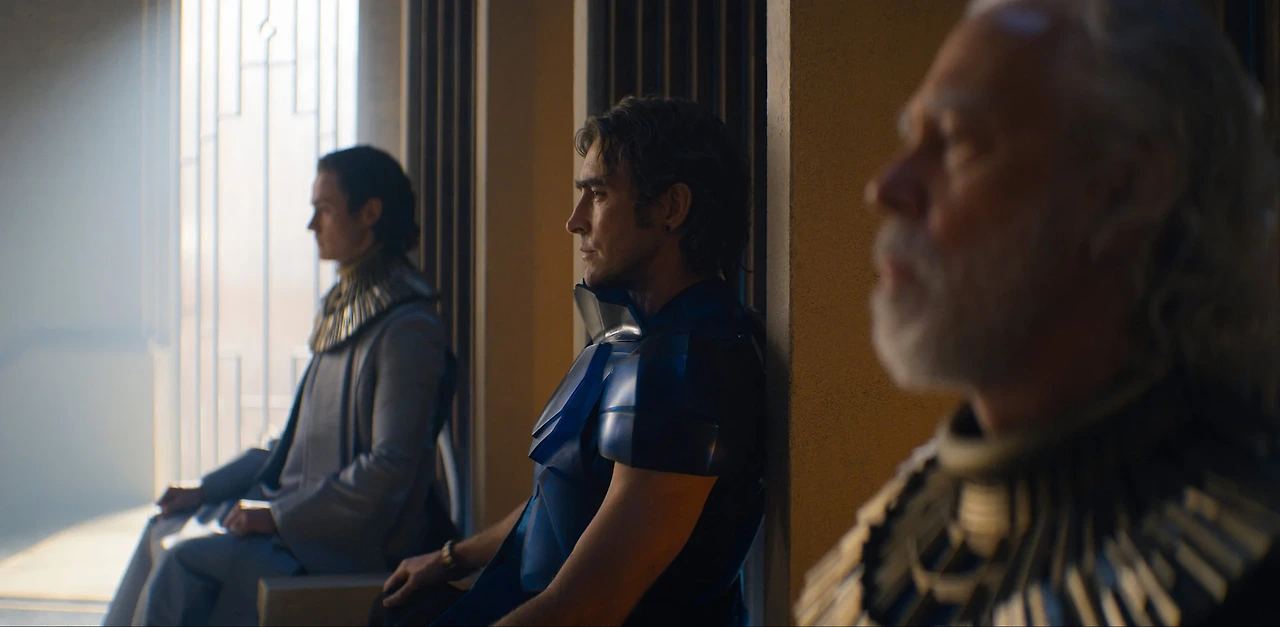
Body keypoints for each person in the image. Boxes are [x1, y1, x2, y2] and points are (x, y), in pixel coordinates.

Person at [794, 0, 1280, 625]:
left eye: (958, 140)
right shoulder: (885, 542)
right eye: (912, 138)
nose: (885, 187)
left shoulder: (1253, 572)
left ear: (1124, 189)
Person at [375, 96, 766, 626]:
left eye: (598, 195)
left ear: (672, 207)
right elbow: (566, 499)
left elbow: (586, 607)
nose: (574, 222)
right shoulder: (634, 336)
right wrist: (451, 557)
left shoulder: (686, 364)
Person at [103, 145, 456, 626]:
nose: (312, 225)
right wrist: (204, 489)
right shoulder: (346, 310)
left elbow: (389, 469)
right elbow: (290, 448)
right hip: (295, 521)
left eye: (324, 210)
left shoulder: (408, 328)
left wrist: (278, 516)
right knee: (162, 526)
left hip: (342, 542)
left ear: (369, 213)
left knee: (182, 562)